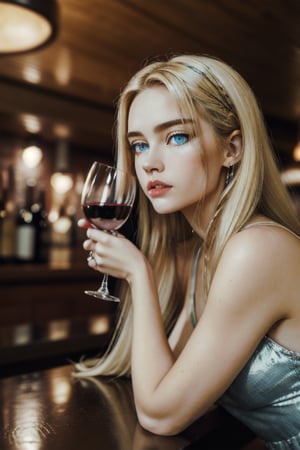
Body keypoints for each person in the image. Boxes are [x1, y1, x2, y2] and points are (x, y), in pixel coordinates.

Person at [75, 54, 300, 449]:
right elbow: (170, 379)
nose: (149, 164)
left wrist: (138, 275)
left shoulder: (258, 249)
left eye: (176, 137)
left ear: (232, 149)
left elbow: (162, 414)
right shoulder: (204, 253)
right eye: (139, 145)